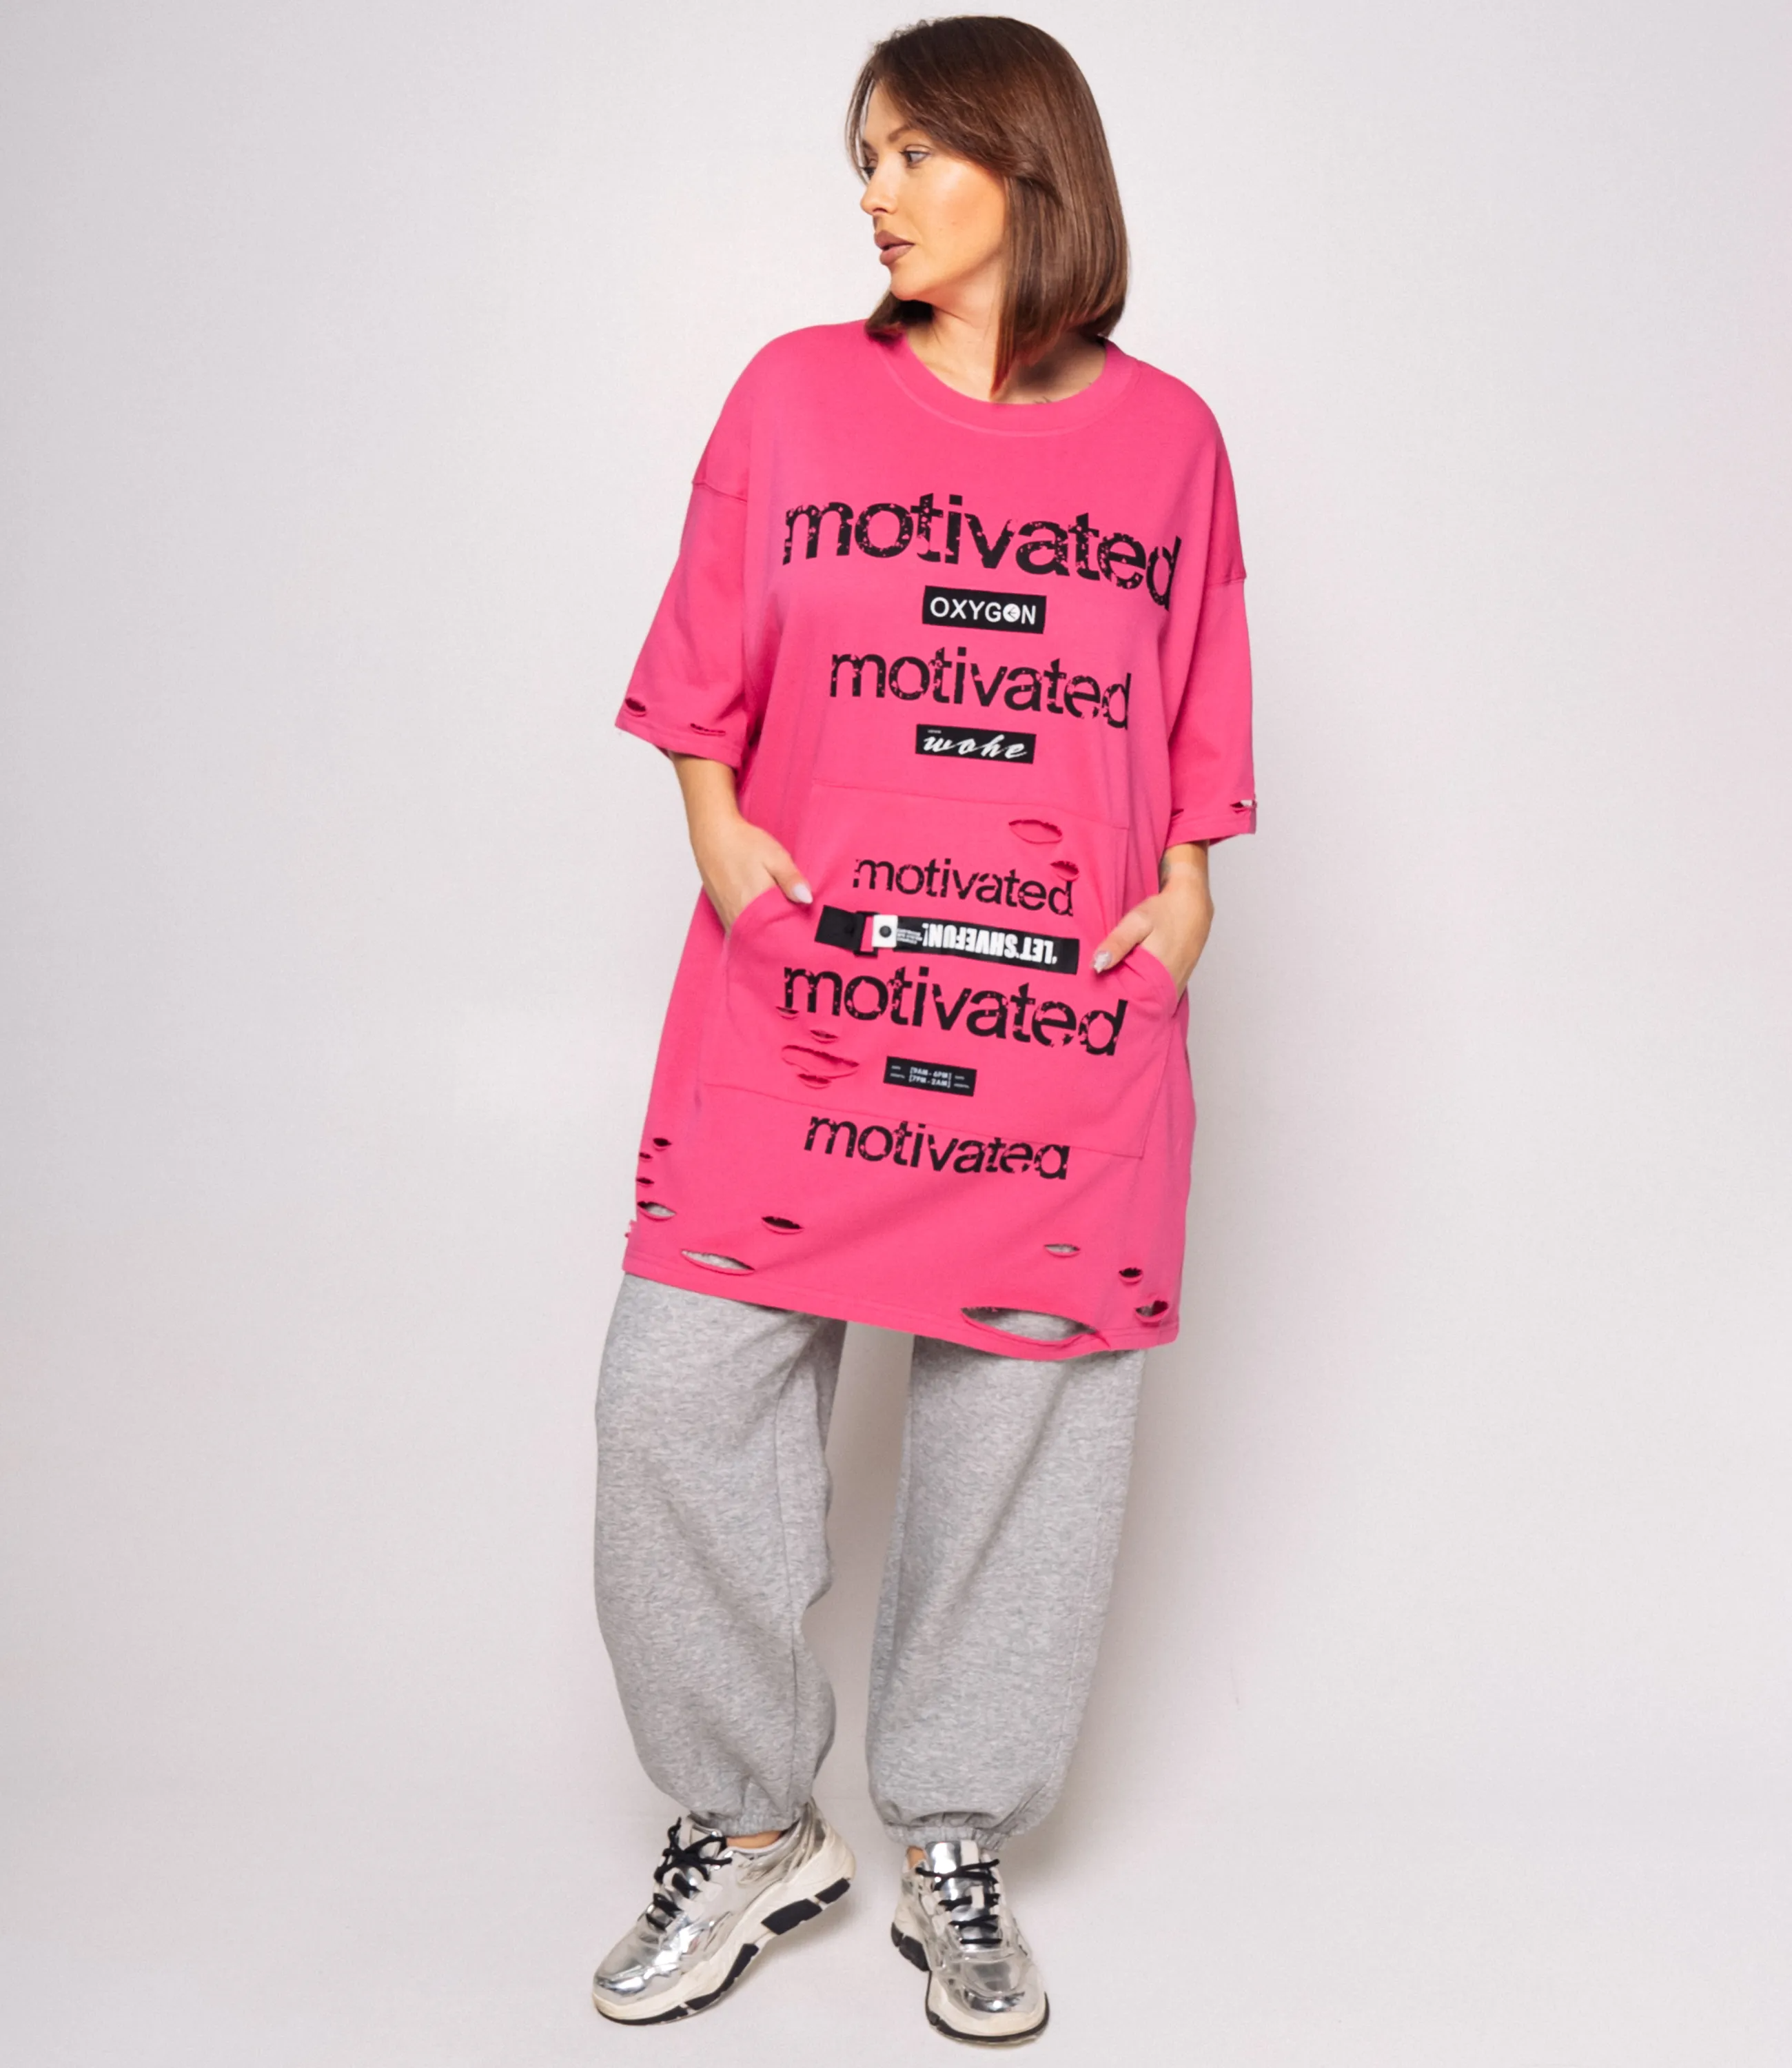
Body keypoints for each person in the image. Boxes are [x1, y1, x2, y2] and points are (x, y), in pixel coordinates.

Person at [589, 14, 1254, 2046]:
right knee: (674, 1408)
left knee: (1019, 1447)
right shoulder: (794, 396)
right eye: (861, 159)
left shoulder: (1171, 440)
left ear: (1027, 167)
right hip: (807, 1009)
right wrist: (721, 840)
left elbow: (1196, 702)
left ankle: (955, 1834)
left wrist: (1188, 896)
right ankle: (750, 1824)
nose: (872, 194)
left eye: (909, 154)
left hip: (1057, 1034)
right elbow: (702, 668)